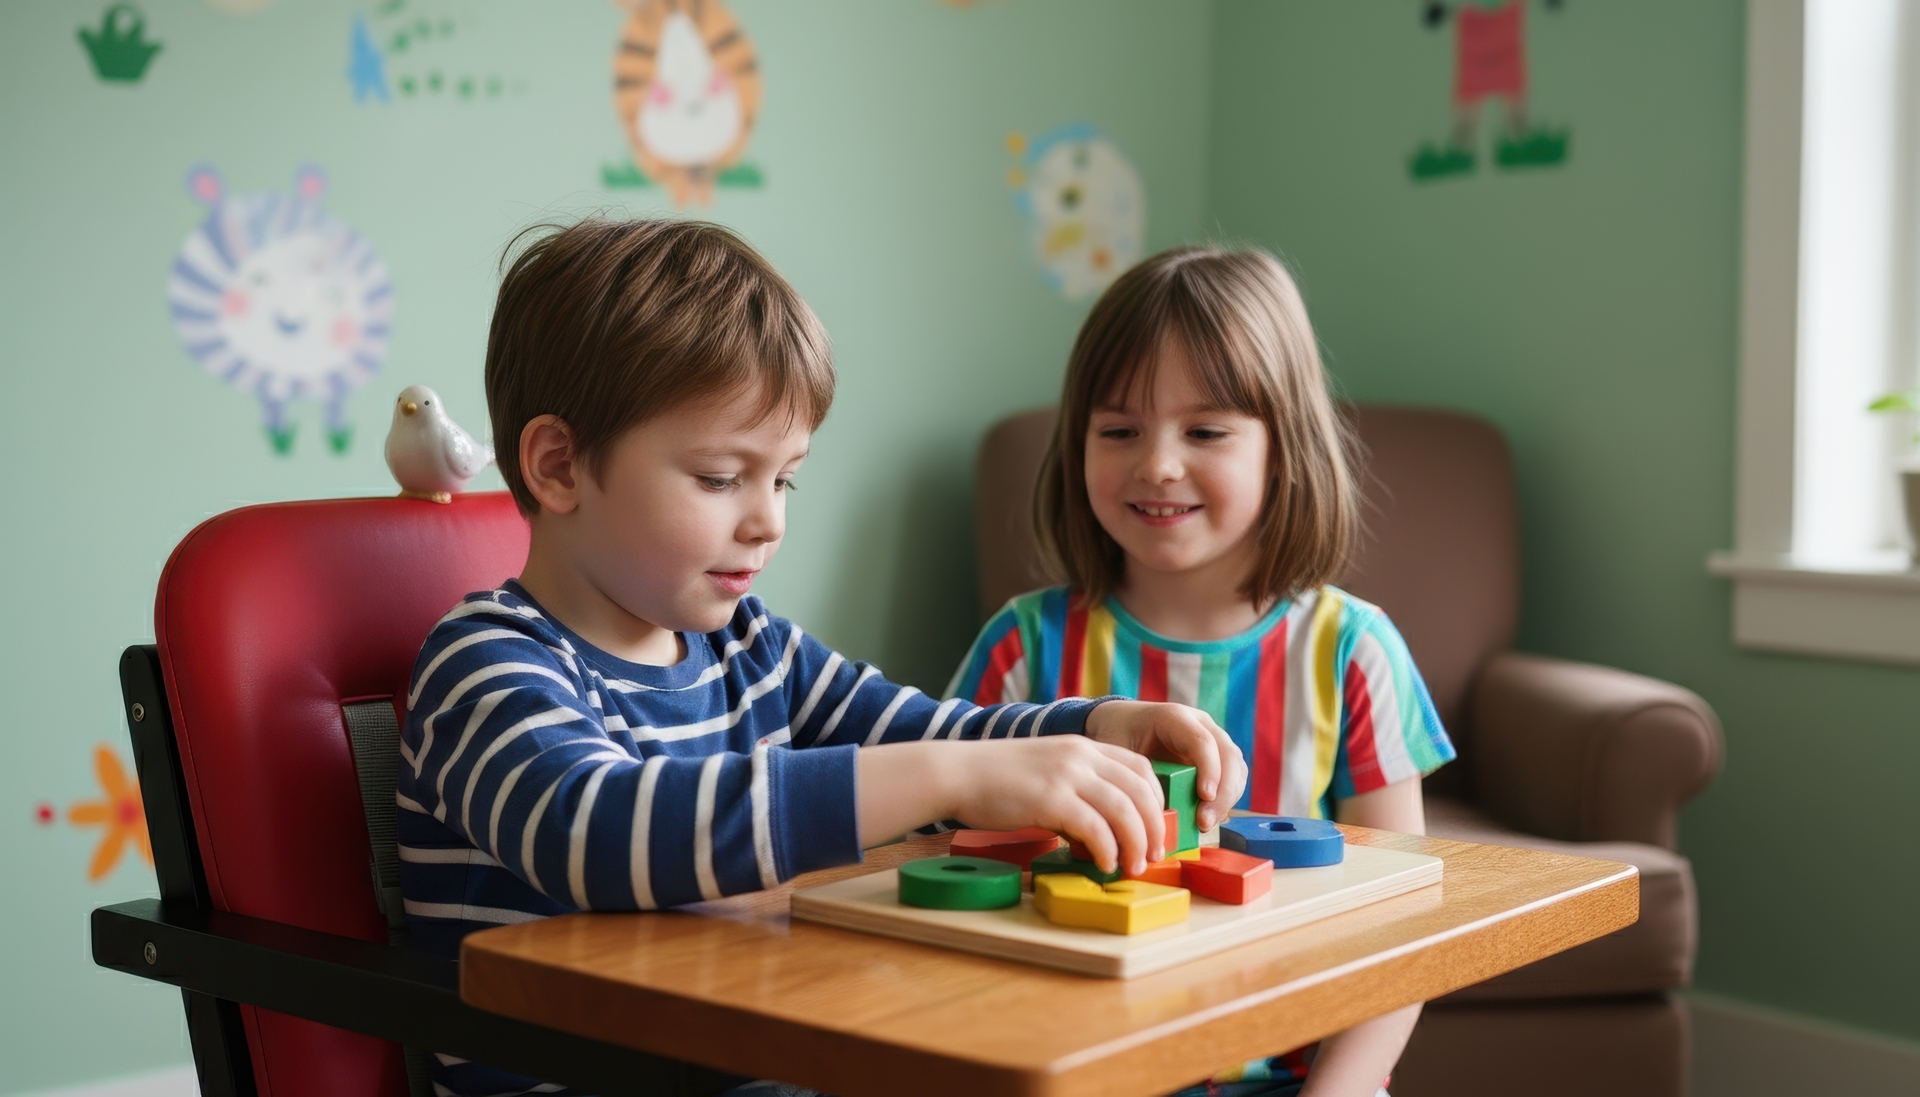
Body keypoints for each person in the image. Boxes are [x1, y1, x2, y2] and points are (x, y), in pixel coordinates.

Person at [397, 218, 1249, 1097]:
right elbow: (596, 830)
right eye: (722, 477)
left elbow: (935, 729)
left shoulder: (753, 647)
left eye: (785, 478)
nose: (768, 520)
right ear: (559, 465)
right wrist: (944, 776)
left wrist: (1100, 726)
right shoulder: (487, 662)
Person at [948, 245, 1455, 1097]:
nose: (1157, 464)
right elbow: (946, 863)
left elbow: (1399, 924)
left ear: (1282, 445)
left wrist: (1339, 1089)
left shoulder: (1351, 652)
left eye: (1206, 431)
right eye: (1119, 430)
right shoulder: (1021, 646)